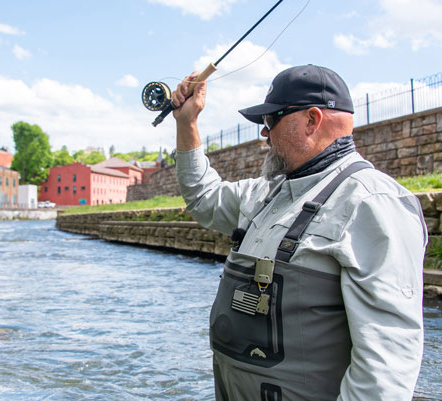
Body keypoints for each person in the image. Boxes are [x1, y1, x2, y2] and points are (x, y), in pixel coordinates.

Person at [171, 64, 427, 401]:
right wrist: (187, 123)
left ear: (312, 120)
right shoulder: (267, 192)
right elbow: (204, 199)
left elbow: (387, 364)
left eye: (270, 120)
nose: (264, 133)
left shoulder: (372, 203)